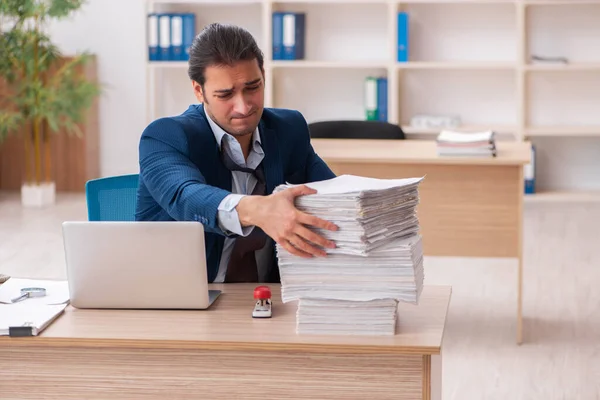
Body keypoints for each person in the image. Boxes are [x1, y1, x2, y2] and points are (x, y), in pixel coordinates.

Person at [135, 23, 338, 284]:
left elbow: (334, 195)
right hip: (180, 296)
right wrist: (256, 210)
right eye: (225, 94)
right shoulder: (166, 136)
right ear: (199, 90)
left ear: (263, 75)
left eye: (253, 87)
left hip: (272, 298)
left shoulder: (289, 129)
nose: (243, 107)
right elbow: (185, 195)